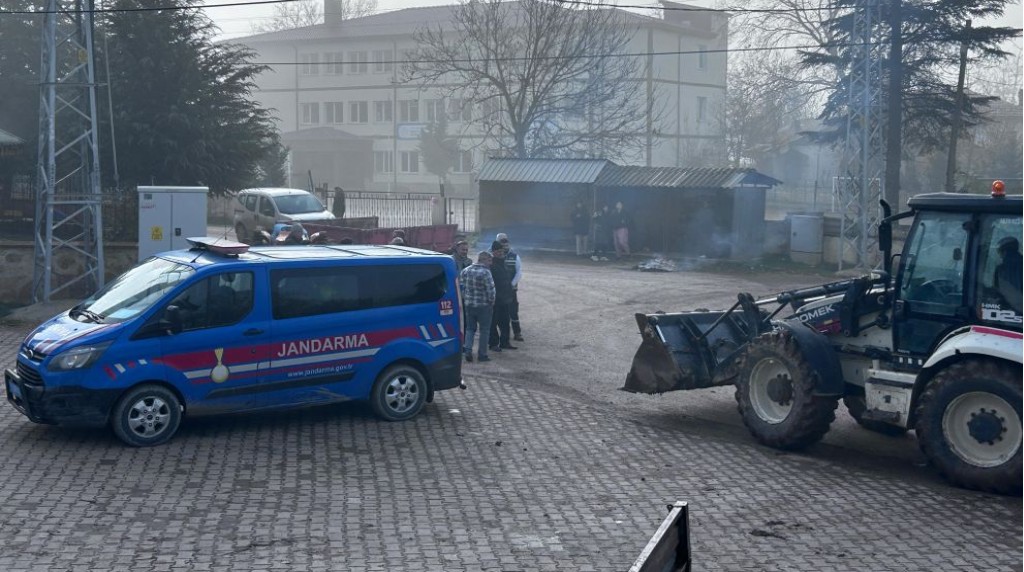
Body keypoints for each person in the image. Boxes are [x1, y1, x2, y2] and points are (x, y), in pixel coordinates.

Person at [459, 251, 496, 362]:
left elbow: (461, 287)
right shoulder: (486, 272)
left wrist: (466, 299)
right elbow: (491, 290)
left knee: (470, 329)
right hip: (484, 306)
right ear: (483, 259)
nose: (491, 263)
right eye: (489, 260)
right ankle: (482, 354)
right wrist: (492, 301)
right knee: (484, 330)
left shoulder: (466, 270)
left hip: (469, 305)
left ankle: (468, 351)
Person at [488, 240, 517, 352]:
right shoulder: (491, 265)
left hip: (505, 299)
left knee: (505, 322)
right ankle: (493, 344)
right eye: (498, 251)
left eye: (501, 251)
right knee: (493, 323)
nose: (500, 253)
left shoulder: (502, 262)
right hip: (495, 300)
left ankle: (505, 342)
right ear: (493, 252)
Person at [496, 232, 524, 342]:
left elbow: (519, 273)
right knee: (498, 312)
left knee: (513, 311)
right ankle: (500, 334)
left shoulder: (515, 256)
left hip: (511, 290)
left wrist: (511, 285)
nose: (503, 243)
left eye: (505, 240)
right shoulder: (493, 255)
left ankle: (517, 333)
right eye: (501, 241)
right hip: (497, 290)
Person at [994, 236, 1022, 313]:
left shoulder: (1000, 269)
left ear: (1004, 252)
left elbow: (997, 290)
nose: (1000, 255)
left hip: (1007, 310)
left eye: (999, 252)